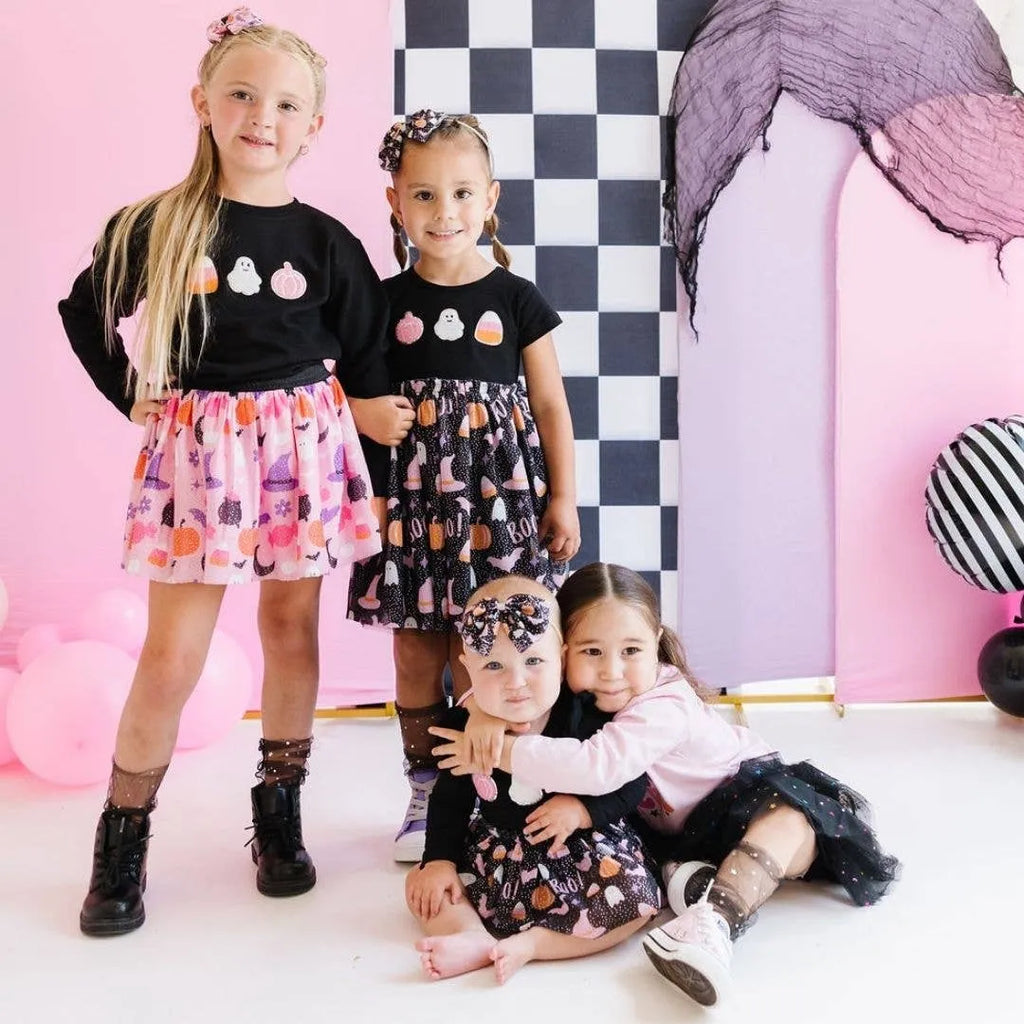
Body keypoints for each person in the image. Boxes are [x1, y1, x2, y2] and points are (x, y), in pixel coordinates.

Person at [58, 7, 412, 936]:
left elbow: (369, 359)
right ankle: (122, 839)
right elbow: (85, 311)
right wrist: (131, 393)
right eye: (244, 95)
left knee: (290, 628)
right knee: (172, 653)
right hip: (200, 457)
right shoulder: (157, 225)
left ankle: (279, 810)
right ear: (203, 102)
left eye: (287, 104)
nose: (263, 116)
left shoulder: (328, 241)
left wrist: (379, 468)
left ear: (313, 126)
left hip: (301, 448)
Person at [431, 562, 901, 1006]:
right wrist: (480, 712)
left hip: (741, 801)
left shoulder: (664, 704)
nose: (611, 671)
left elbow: (598, 766)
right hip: (672, 829)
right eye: (592, 652)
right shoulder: (580, 694)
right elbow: (508, 670)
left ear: (655, 643)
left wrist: (498, 747)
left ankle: (714, 923)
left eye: (631, 651)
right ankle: (686, 875)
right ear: (564, 652)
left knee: (794, 824)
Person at [347, 109, 580, 862]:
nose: (443, 211)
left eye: (460, 193)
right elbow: (363, 406)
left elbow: (551, 406)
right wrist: (370, 498)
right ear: (395, 203)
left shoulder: (516, 298)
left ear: (490, 198)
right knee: (417, 652)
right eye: (422, 195)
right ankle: (427, 789)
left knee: (489, 644)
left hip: (498, 502)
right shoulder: (383, 303)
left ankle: (490, 786)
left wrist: (563, 496)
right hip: (413, 505)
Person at [406, 576, 661, 984]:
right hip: (497, 852)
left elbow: (631, 783)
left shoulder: (584, 714)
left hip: (579, 848)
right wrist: (439, 861)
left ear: (561, 658)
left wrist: (583, 810)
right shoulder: (463, 727)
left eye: (533, 661)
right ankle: (469, 935)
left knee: (639, 901)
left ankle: (536, 944)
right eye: (493, 665)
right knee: (423, 885)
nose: (515, 682)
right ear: (468, 668)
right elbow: (450, 802)